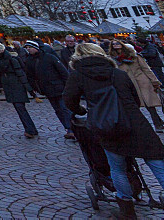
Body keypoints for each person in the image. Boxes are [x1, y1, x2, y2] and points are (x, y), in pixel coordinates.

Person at [65, 43, 164, 219]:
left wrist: (83, 111)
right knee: (155, 161)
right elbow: (134, 98)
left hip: (107, 125)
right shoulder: (118, 73)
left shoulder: (78, 76)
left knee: (117, 168)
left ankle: (126, 207)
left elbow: (69, 101)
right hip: (134, 121)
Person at [23, 40, 74, 139]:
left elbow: (63, 72)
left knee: (64, 108)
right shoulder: (29, 61)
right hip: (46, 89)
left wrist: (67, 85)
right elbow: (30, 76)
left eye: (30, 47)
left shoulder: (49, 57)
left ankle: (72, 129)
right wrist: (36, 88)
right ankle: (67, 128)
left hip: (59, 87)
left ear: (36, 47)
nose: (28, 49)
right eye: (27, 47)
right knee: (58, 110)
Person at [0, 42, 38, 138]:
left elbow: (21, 74)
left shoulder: (12, 59)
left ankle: (30, 129)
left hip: (17, 85)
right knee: (19, 108)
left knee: (20, 108)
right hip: (8, 86)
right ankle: (30, 129)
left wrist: (29, 89)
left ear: (1, 49)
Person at [115, 42, 164, 132]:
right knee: (136, 105)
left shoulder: (136, 57)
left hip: (142, 82)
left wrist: (154, 81)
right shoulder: (116, 60)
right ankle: (156, 123)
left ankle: (157, 124)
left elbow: (146, 69)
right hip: (129, 84)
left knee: (149, 104)